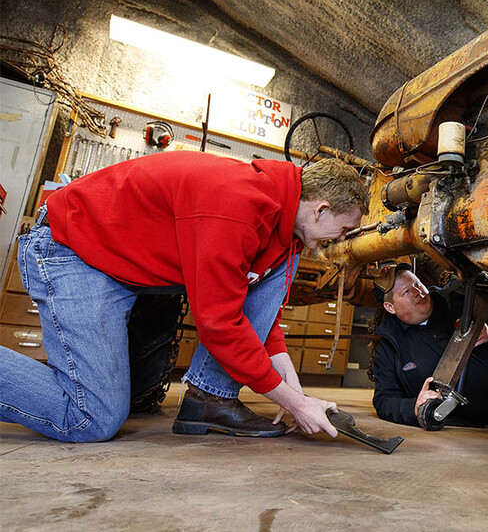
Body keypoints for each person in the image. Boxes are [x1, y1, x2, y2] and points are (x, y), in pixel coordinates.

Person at [0, 151, 367, 442]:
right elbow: (219, 323)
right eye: (345, 229)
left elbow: (251, 295)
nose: (341, 239)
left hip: (124, 264)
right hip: (74, 251)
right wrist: (294, 403)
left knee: (279, 269)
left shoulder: (284, 224)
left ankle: (208, 399)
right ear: (320, 210)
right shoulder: (238, 207)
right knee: (92, 418)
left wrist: (284, 368)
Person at [371, 264, 488, 430]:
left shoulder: (454, 295)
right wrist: (414, 407)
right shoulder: (390, 346)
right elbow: (384, 400)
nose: (419, 292)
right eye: (406, 292)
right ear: (390, 307)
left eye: (417, 284)